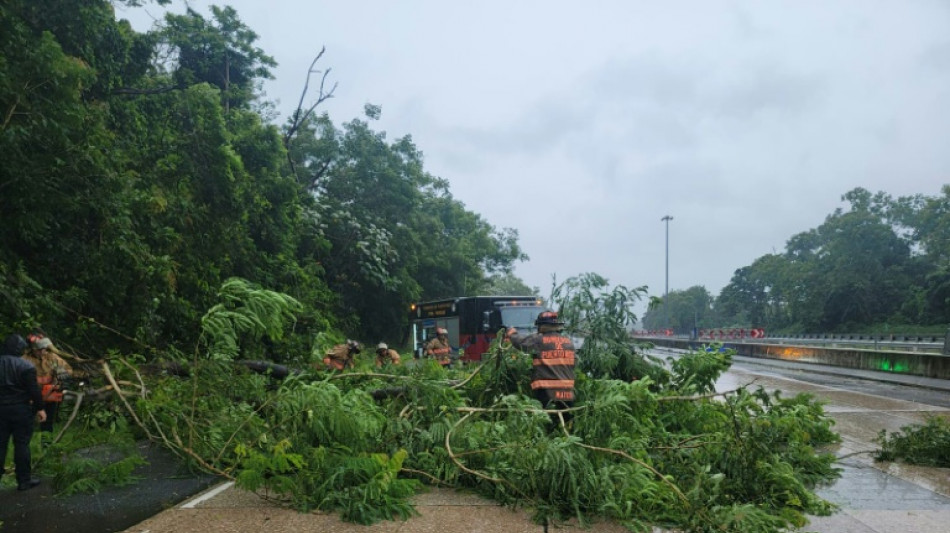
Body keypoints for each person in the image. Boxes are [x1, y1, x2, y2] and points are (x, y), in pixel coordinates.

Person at [506, 311, 576, 423]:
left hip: (547, 392)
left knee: (546, 424)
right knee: (566, 423)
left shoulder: (539, 340)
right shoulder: (569, 343)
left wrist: (511, 334)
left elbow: (521, 342)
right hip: (567, 393)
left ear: (542, 326)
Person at [0, 334, 46, 491]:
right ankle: (24, 480)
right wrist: (40, 408)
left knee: (0, 446)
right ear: (20, 349)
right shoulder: (26, 366)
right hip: (21, 410)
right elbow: (33, 390)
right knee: (21, 445)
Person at [23, 335, 73, 445]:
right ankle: (24, 447)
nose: (42, 351)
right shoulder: (25, 360)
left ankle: (46, 446)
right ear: (32, 349)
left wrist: (63, 373)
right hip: (31, 397)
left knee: (48, 423)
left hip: (49, 394)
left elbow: (68, 369)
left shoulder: (51, 357)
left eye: (43, 349)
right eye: (39, 349)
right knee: (26, 424)